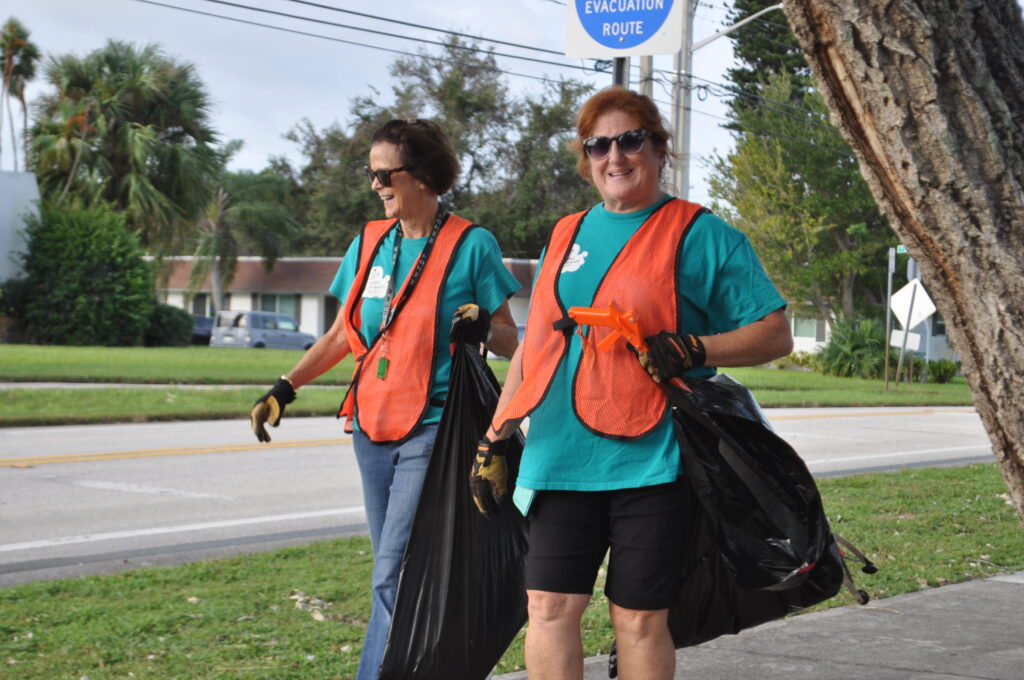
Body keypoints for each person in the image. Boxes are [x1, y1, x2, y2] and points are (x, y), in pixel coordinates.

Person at [469, 87, 794, 680]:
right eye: (599, 145)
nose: (614, 156)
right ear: (586, 158)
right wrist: (496, 436)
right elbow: (537, 345)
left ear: (659, 149)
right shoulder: (566, 233)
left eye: (630, 140)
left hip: (654, 461)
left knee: (639, 618)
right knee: (548, 608)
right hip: (560, 457)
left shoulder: (700, 233)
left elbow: (774, 333)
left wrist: (696, 348)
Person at [248, 118, 520, 680]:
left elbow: (510, 338)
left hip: (433, 426)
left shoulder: (472, 244)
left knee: (391, 573)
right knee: (394, 571)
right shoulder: (370, 242)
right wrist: (286, 387)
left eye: (384, 174)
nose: (375, 185)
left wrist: (480, 328)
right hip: (371, 428)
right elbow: (341, 335)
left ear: (420, 174)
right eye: (370, 173)